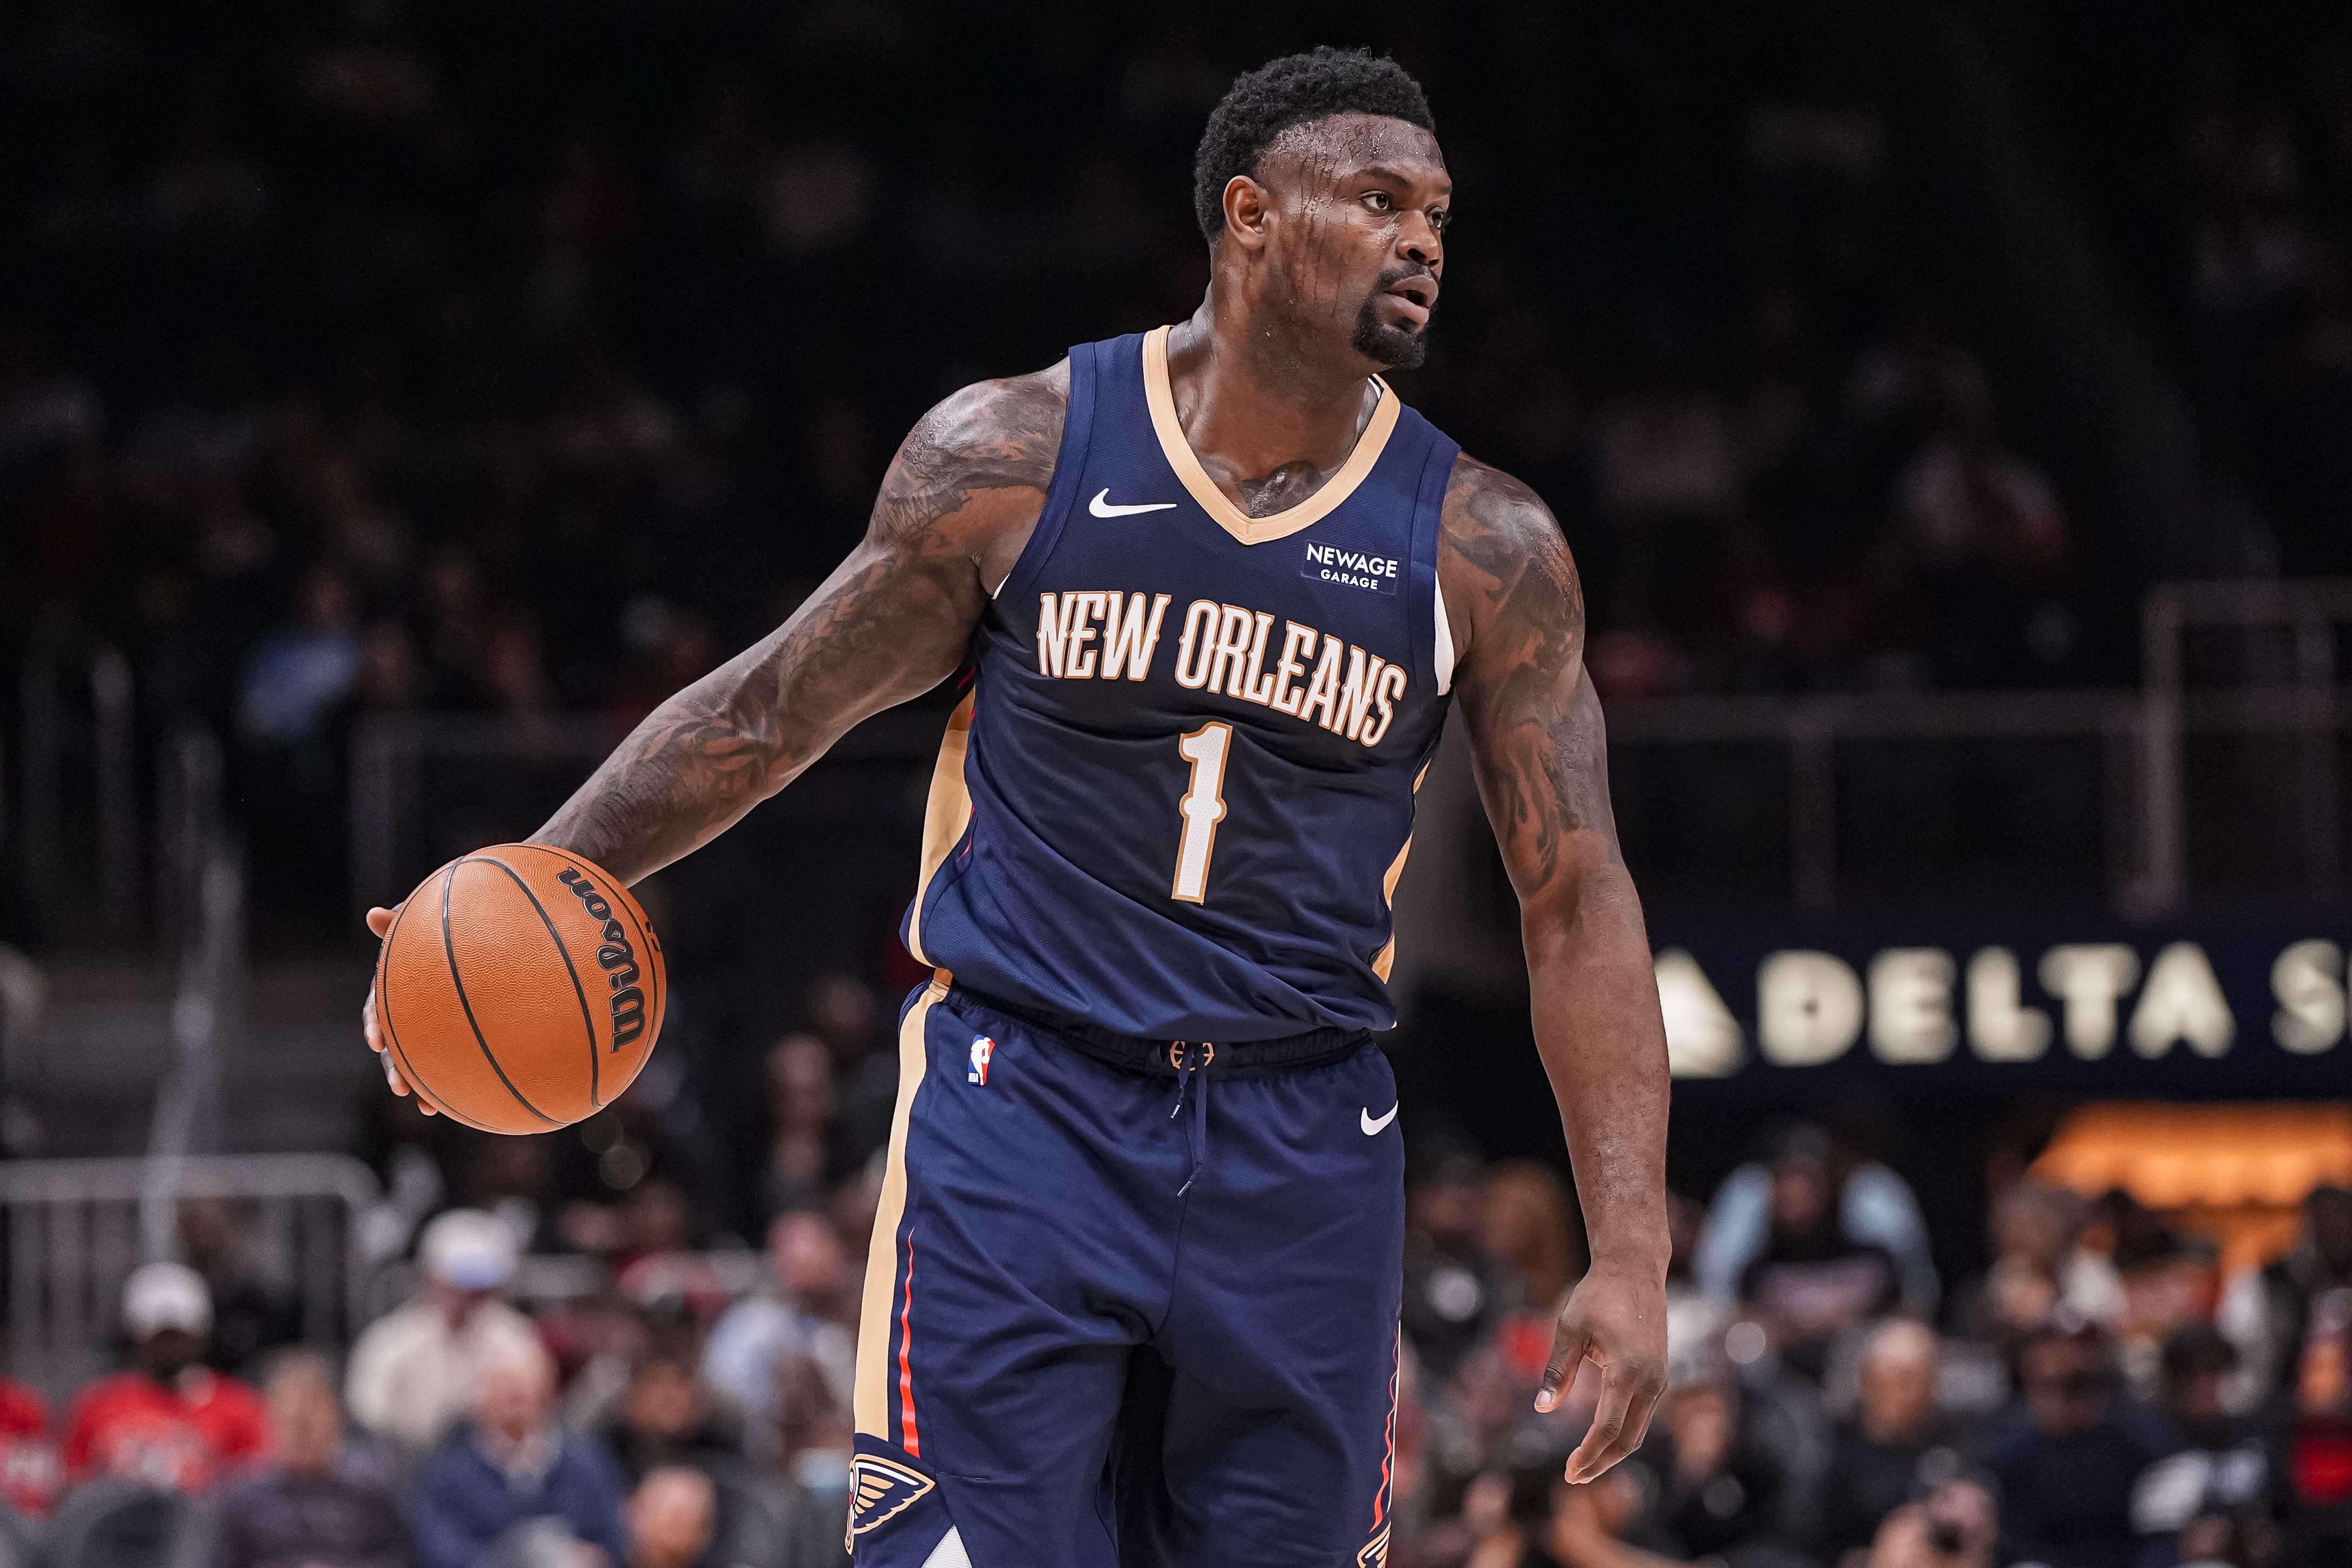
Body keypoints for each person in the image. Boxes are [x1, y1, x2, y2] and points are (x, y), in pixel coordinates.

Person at [364, 46, 1672, 1568]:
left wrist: (1631, 1244)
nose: (1423, 240)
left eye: (1436, 211)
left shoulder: (1484, 544)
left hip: (1303, 1136)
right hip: (1025, 1104)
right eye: (1378, 201)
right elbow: (771, 712)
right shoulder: (1019, 453)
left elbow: (1575, 896)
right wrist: (516, 891)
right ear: (1249, 216)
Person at [1977, 1315, 2183, 1568]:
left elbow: (2164, 1535)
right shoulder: (2009, 1447)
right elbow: (2018, 1542)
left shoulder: (2140, 1435)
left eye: (2075, 1383)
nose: (2063, 1360)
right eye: (2048, 1384)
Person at [411, 1340, 628, 1568]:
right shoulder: (449, 1474)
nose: (514, 1396)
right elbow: (440, 1550)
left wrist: (586, 1556)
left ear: (548, 1394)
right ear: (478, 1402)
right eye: (502, 1388)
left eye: (524, 1390)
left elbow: (613, 1541)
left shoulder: (587, 1465)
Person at [346, 1209, 541, 1459]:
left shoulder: (516, 1337)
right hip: (406, 1464)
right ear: (433, 1279)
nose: (470, 1297)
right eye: (462, 1284)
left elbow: (536, 1417)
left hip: (495, 1462)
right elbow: (367, 1418)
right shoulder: (390, 1342)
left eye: (481, 1287)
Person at [62, 1261, 268, 1492]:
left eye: (178, 1336)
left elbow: (256, 1491)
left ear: (200, 1336)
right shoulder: (97, 1404)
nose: (169, 1347)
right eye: (160, 1337)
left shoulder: (239, 1405)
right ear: (137, 1336)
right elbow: (75, 1488)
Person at [209, 1352, 409, 1568]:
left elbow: (402, 1557)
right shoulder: (238, 1498)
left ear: (339, 1417)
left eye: (309, 1417)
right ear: (268, 1419)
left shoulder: (372, 1491)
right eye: (289, 1419)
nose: (300, 1431)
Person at [700, 1213, 856, 1467]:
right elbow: (721, 1396)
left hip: (850, 1456)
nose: (808, 1266)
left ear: (840, 1253)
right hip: (763, 1460)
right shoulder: (749, 1324)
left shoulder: (866, 1317)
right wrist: (775, 1391)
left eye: (818, 1251)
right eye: (797, 1261)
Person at [1816, 1321, 1961, 1566]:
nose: (1914, 1394)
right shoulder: (1834, 1454)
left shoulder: (1956, 1443)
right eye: (1901, 1379)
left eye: (1925, 1379)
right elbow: (1813, 1546)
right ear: (1868, 1381)